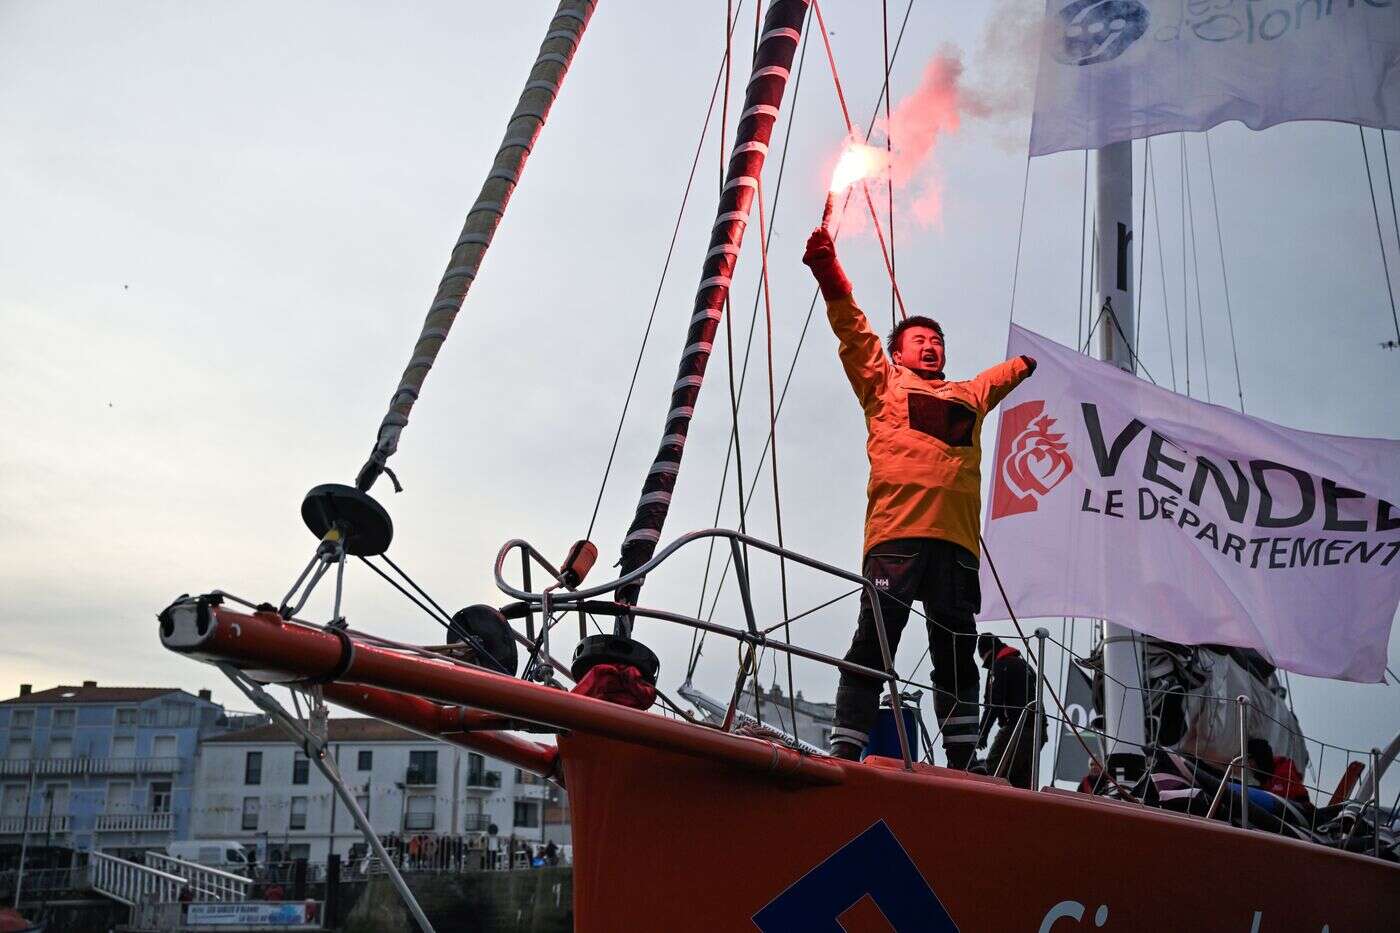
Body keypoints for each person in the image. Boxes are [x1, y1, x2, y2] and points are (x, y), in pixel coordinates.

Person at [802, 227, 1036, 764]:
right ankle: (847, 743)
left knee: (955, 650)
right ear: (897, 353)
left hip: (955, 547)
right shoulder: (882, 384)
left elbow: (994, 382)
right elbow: (854, 331)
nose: (930, 346)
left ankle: (961, 758)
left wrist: (1023, 365)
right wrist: (828, 271)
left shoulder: (965, 397)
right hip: (897, 535)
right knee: (876, 638)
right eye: (920, 340)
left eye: (938, 341)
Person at [976, 634, 1046, 789]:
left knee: (994, 771)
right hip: (1038, 731)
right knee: (1020, 780)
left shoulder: (1001, 666)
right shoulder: (1024, 665)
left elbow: (994, 703)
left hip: (1018, 729)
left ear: (989, 652)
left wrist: (982, 733)